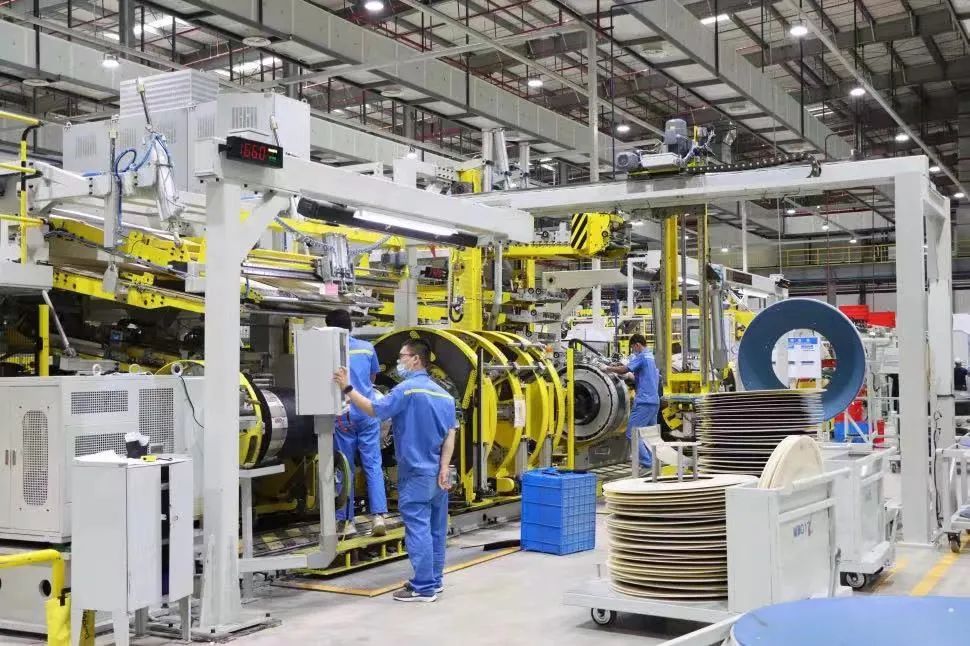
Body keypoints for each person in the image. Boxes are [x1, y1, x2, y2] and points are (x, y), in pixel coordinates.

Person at [334, 338, 456, 602]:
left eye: (402, 356)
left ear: (416, 359)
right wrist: (444, 467)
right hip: (439, 474)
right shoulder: (443, 395)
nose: (399, 361)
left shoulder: (406, 391)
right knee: (436, 530)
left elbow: (373, 409)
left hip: (415, 473)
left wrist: (347, 388)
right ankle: (435, 580)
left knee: (418, 530)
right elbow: (451, 434)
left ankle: (423, 587)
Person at [325, 309, 387, 538]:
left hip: (343, 415)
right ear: (350, 326)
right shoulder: (367, 348)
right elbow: (372, 378)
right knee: (373, 465)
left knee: (345, 467)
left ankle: (346, 521)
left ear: (330, 329)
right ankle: (378, 516)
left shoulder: (328, 353)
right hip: (367, 412)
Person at [606, 333, 660, 469]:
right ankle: (654, 462)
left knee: (632, 433)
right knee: (650, 435)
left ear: (637, 345)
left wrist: (608, 368)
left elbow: (624, 369)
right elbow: (645, 377)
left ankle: (647, 464)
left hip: (644, 402)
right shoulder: (651, 357)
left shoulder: (642, 356)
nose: (633, 351)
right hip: (654, 401)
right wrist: (630, 375)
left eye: (633, 348)